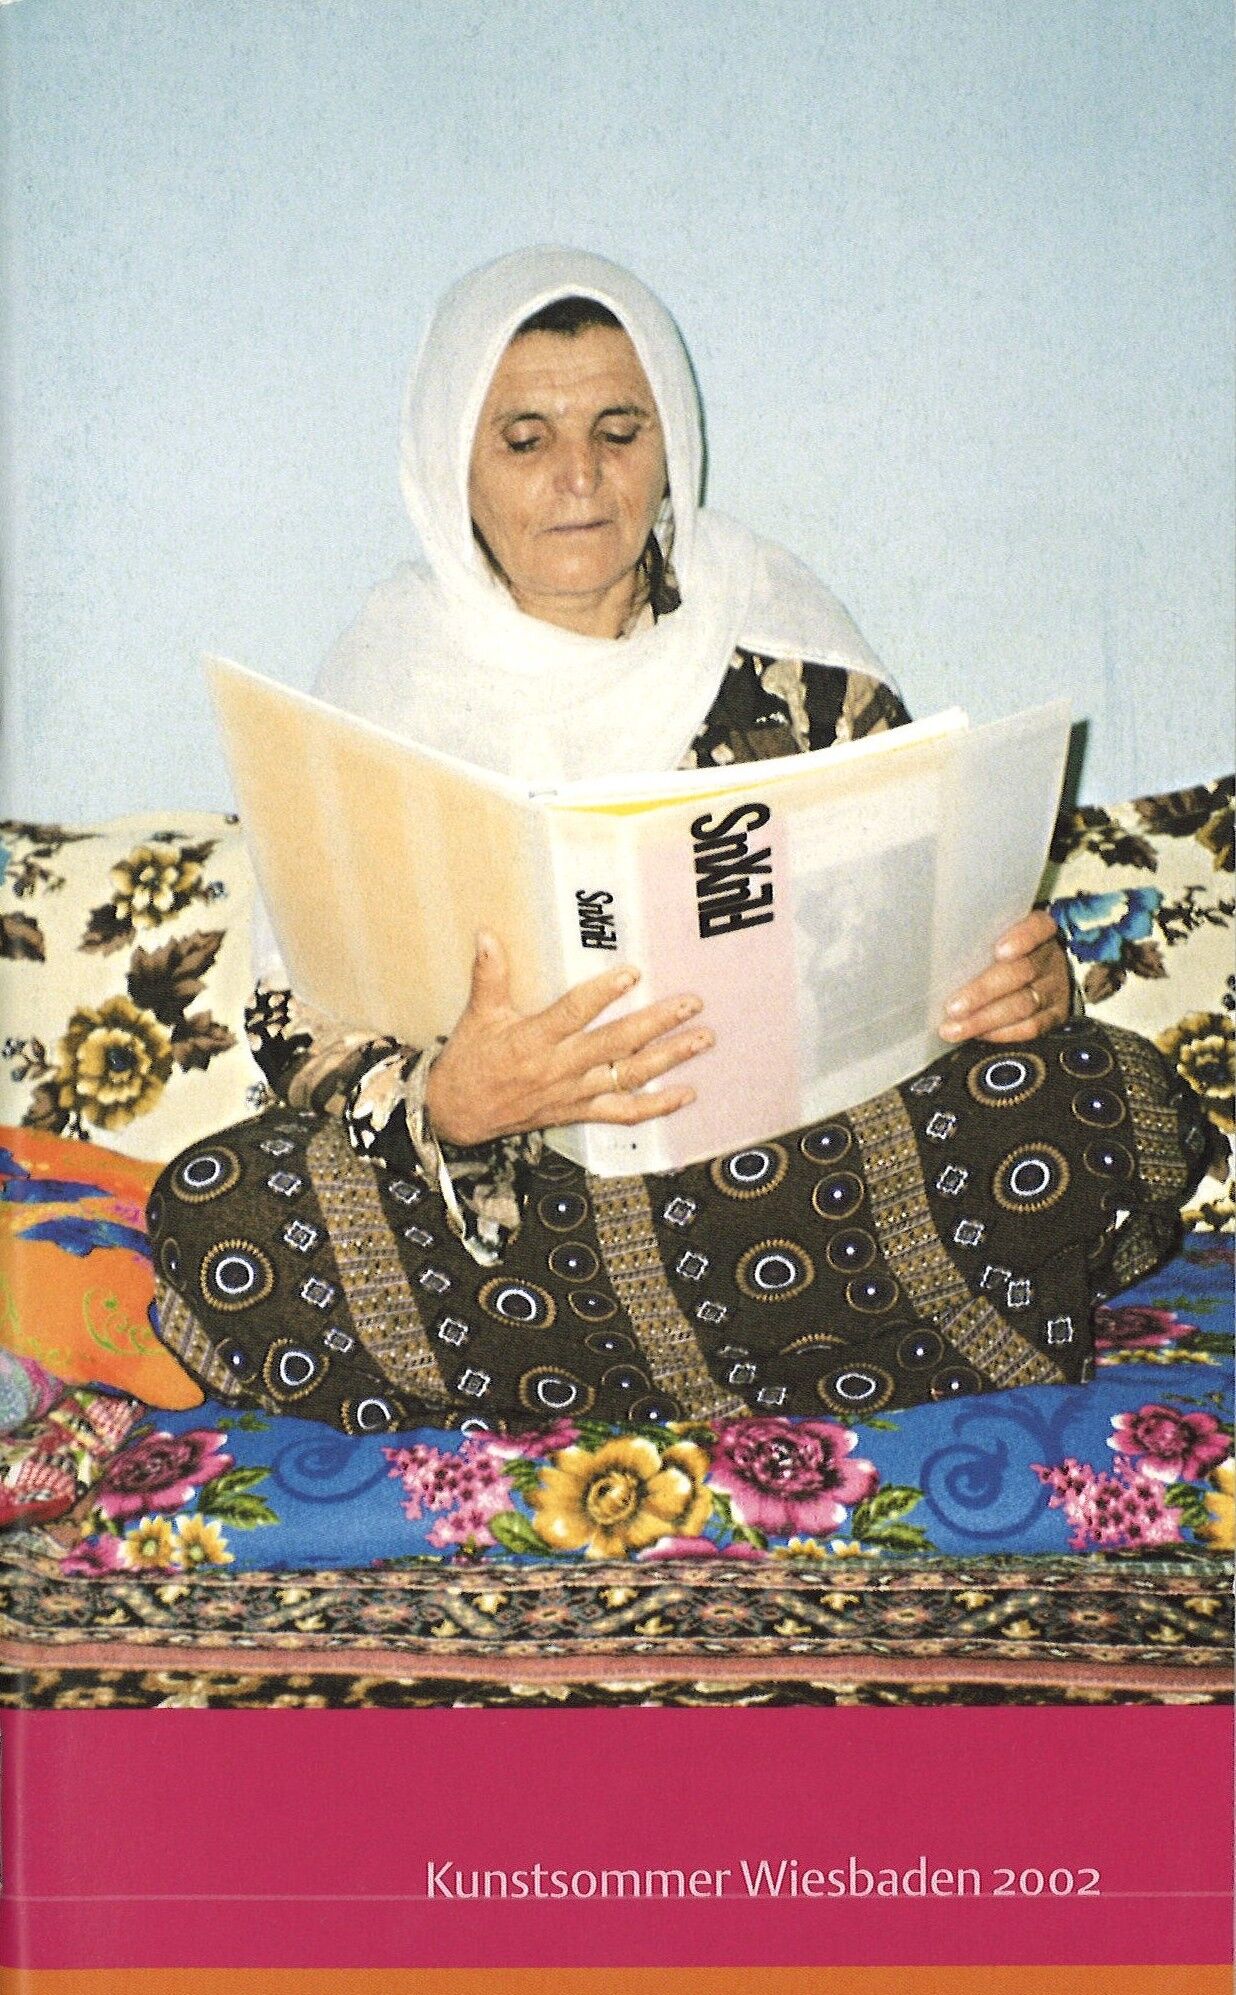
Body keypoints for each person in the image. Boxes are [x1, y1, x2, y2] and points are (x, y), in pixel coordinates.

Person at [149, 247, 1205, 1437]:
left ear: (671, 445)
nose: (580, 477)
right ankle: (841, 1348)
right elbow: (296, 1018)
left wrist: (1025, 988)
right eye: (525, 441)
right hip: (523, 1216)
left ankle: (600, 1378)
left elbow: (935, 918)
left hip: (799, 1173)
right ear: (451, 465)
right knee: (216, 1210)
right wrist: (446, 1100)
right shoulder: (379, 688)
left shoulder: (790, 652)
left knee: (1108, 1097)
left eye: (618, 430)